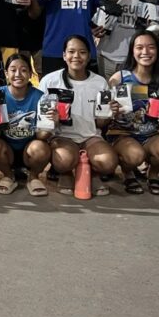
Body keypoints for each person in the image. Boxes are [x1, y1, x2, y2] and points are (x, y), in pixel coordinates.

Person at [40, 35, 118, 197]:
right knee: (65, 160)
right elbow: (41, 119)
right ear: (64, 55)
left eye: (82, 52)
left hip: (91, 137)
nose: (76, 56)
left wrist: (110, 113)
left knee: (108, 162)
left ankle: (93, 172)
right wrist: (51, 121)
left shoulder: (99, 82)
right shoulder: (50, 81)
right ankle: (65, 173)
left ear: (89, 56)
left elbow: (101, 123)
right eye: (71, 52)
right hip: (62, 138)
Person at [105, 31, 159, 195]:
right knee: (134, 155)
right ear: (132, 51)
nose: (145, 52)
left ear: (157, 51)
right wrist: (111, 110)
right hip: (123, 134)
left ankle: (152, 175)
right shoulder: (119, 78)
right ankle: (128, 173)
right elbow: (104, 112)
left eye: (150, 47)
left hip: (151, 134)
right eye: (139, 47)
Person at [0, 53, 52, 196]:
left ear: (31, 74)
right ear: (6, 73)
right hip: (7, 152)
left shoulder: (40, 97)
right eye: (13, 70)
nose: (18, 74)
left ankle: (33, 177)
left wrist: (51, 123)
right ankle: (8, 176)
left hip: (29, 151)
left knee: (41, 147)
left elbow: (41, 136)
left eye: (24, 70)